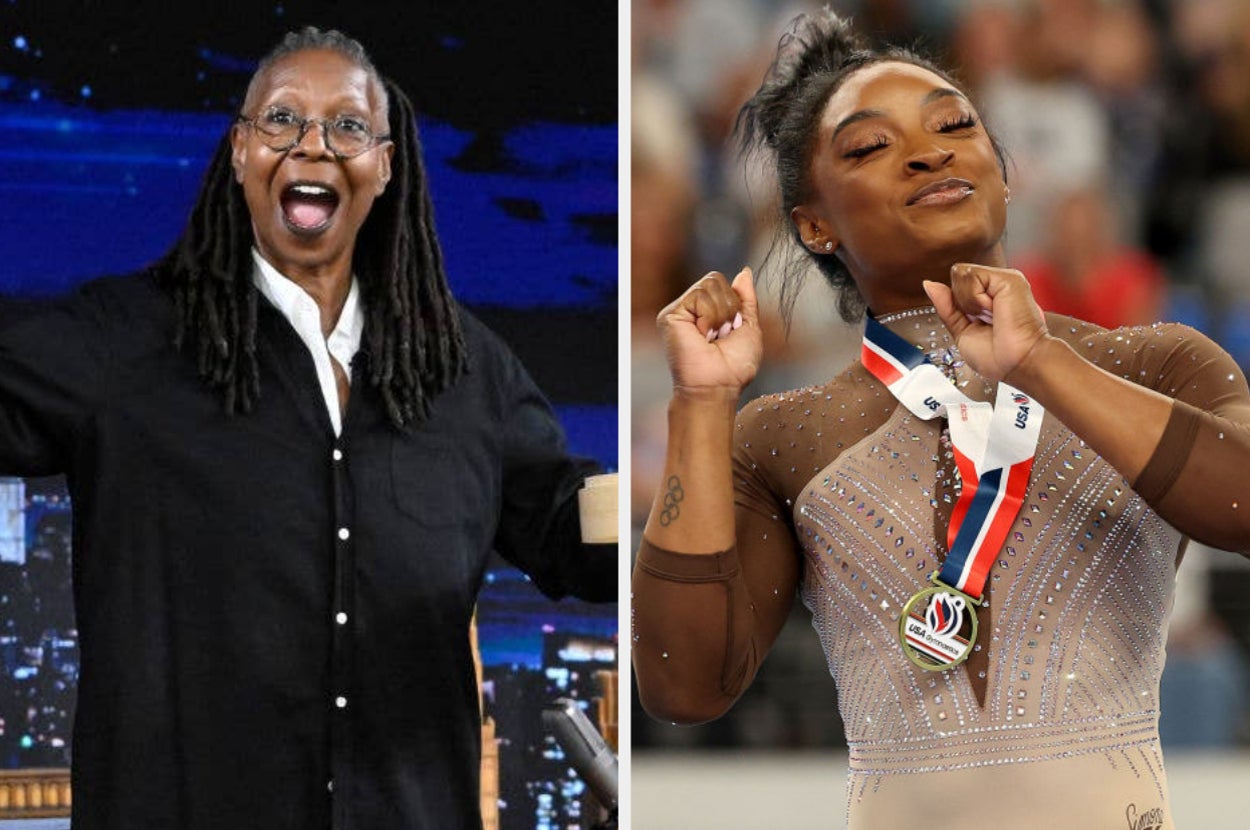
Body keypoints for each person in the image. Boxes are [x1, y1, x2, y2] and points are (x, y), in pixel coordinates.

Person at [631, 10, 1250, 829]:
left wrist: (1040, 364)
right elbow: (681, 682)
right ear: (812, 223)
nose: (928, 152)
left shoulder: (1153, 363)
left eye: (956, 125)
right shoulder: (786, 437)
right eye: (867, 147)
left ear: (1001, 167)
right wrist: (702, 404)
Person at [0, 27, 615, 830]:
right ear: (240, 151)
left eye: (349, 126)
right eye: (282, 121)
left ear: (385, 164)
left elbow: (574, 533)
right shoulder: (124, 342)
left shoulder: (469, 372)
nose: (313, 146)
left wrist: (680, 448)